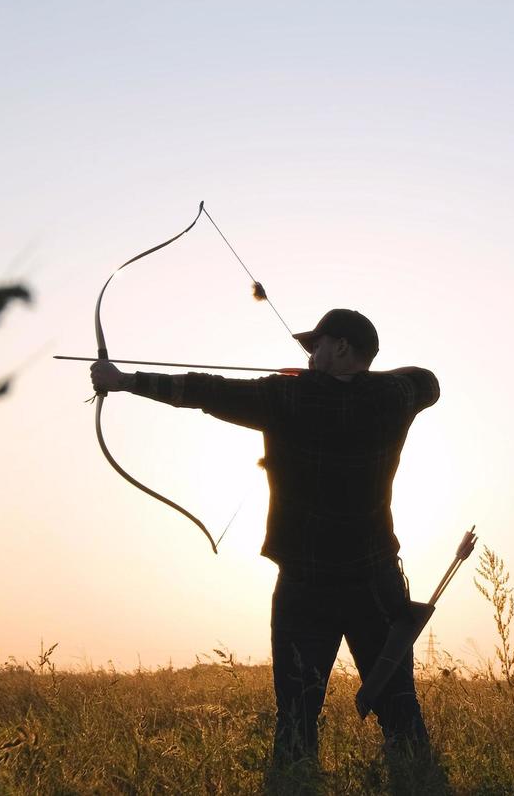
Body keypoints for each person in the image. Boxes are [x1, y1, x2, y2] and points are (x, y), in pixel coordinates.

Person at [89, 308, 444, 785]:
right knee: (400, 709)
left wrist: (125, 380)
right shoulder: (396, 397)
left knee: (297, 716)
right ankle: (420, 784)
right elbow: (428, 381)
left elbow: (205, 391)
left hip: (306, 585)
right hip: (375, 581)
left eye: (316, 345)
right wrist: (345, 380)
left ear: (341, 347)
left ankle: (295, 785)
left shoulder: (286, 396)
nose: (309, 355)